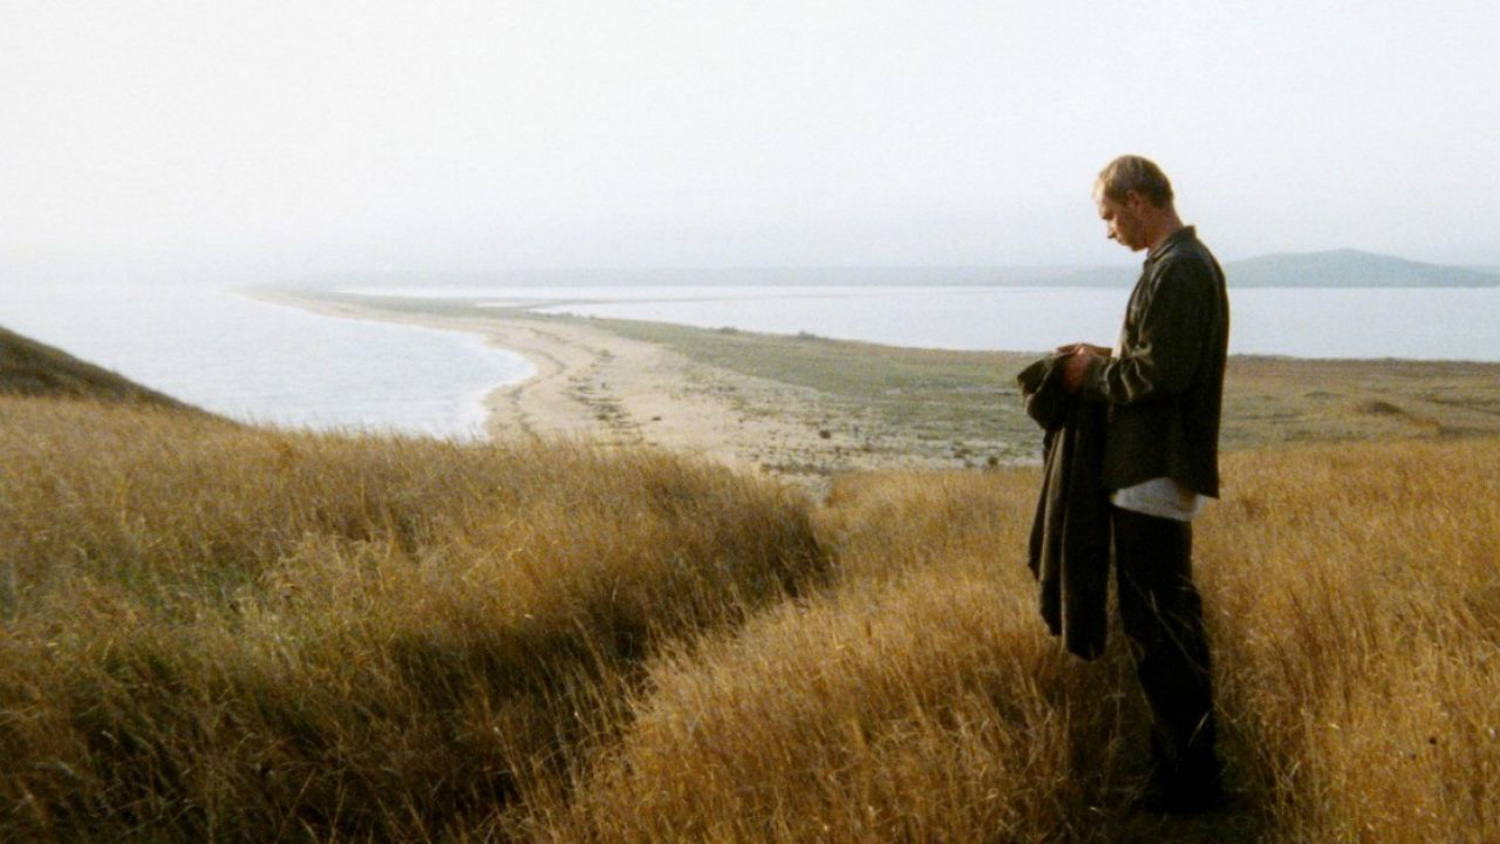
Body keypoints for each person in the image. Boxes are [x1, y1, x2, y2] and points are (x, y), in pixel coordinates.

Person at [1059, 154, 1231, 814]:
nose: (1108, 231)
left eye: (1108, 216)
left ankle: (1187, 784)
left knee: (1161, 633)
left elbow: (1162, 376)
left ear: (1136, 200)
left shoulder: (1180, 269)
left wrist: (1092, 377)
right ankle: (1183, 773)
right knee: (1162, 628)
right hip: (1148, 472)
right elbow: (1155, 362)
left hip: (1151, 474)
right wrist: (1105, 359)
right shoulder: (1176, 266)